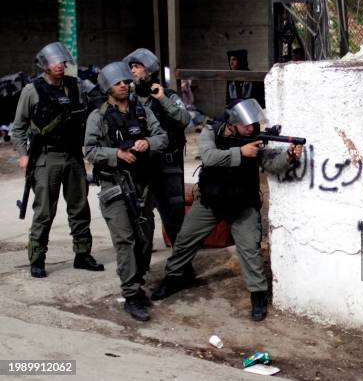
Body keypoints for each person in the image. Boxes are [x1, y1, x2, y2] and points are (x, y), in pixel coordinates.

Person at [151, 98, 303, 322]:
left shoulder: (255, 137)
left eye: (253, 124)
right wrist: (240, 152)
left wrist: (289, 155)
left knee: (250, 250)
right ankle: (174, 277)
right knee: (185, 240)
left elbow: (271, 165)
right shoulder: (211, 131)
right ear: (233, 121)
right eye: (247, 124)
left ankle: (258, 294)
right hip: (210, 201)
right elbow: (208, 157)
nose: (251, 128)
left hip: (243, 203)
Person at [84, 61, 168, 322]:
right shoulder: (98, 117)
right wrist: (116, 154)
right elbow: (89, 150)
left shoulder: (141, 110)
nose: (123, 85)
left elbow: (162, 138)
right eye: (117, 82)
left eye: (125, 81)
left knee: (144, 239)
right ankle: (131, 295)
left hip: (142, 186)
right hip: (115, 187)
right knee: (125, 240)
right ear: (108, 87)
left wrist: (148, 142)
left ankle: (138, 282)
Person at [12, 41, 103, 278]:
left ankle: (83, 254)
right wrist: (23, 155)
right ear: (45, 66)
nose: (59, 66)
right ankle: (37, 259)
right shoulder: (32, 91)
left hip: (73, 156)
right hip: (46, 157)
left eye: (62, 62)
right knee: (44, 211)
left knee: (80, 208)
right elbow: (18, 128)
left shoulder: (76, 86)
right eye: (54, 63)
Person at [123, 48, 190, 245]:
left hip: (167, 166)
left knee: (174, 218)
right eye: (131, 67)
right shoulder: (130, 98)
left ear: (150, 71)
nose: (133, 71)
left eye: (137, 67)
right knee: (140, 216)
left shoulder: (167, 95)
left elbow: (184, 119)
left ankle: (182, 267)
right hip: (141, 165)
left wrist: (162, 99)